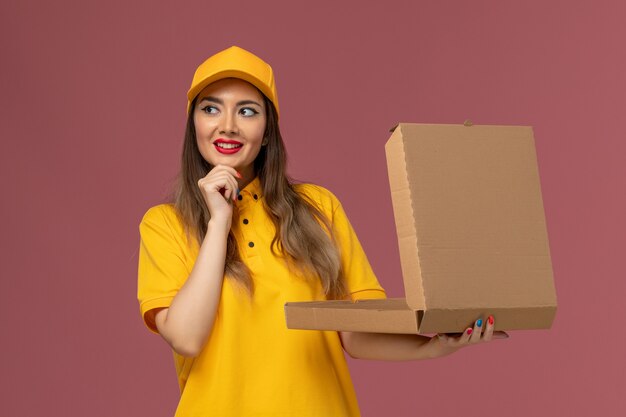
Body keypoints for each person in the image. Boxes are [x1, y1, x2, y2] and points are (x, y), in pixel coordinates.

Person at [137, 46, 508, 417]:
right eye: (211, 108)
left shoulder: (318, 208)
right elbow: (186, 337)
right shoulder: (164, 224)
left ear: (267, 132)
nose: (228, 125)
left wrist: (434, 345)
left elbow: (354, 332)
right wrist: (219, 221)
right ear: (194, 126)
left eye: (247, 111)